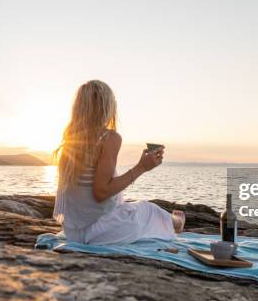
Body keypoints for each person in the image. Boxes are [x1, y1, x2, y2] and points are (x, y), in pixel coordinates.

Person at [53, 79, 185, 245]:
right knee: (148, 210)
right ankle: (176, 223)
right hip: (100, 233)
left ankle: (170, 221)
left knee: (133, 207)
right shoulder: (109, 138)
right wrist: (141, 167)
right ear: (106, 107)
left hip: (73, 232)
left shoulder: (69, 141)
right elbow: (101, 192)